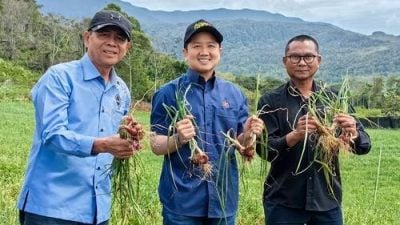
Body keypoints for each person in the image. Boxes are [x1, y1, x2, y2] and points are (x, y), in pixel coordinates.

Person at [17, 10, 139, 225]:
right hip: (51, 207)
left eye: (120, 38)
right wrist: (103, 145)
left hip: (97, 210)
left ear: (126, 48)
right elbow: (53, 135)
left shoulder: (121, 90)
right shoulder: (60, 77)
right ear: (86, 38)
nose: (112, 43)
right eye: (104, 35)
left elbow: (116, 139)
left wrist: (128, 141)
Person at [150, 19, 264, 225]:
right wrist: (179, 138)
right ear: (185, 52)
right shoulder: (168, 93)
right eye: (196, 46)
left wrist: (248, 134)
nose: (204, 52)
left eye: (211, 46)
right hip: (181, 201)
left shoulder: (235, 94)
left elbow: (242, 143)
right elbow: (156, 146)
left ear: (220, 51)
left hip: (223, 198)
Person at [256, 34, 372, 225]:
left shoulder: (336, 100)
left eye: (308, 57)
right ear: (285, 61)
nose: (302, 62)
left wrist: (353, 133)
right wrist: (294, 136)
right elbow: (264, 150)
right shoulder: (270, 101)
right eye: (295, 57)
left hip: (327, 201)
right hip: (283, 202)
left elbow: (364, 146)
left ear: (319, 60)